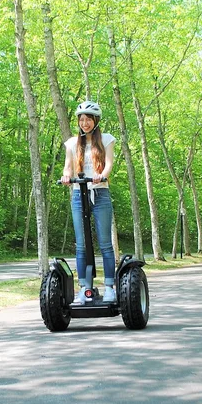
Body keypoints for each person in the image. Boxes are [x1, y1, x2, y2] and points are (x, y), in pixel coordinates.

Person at [61, 100, 117, 304]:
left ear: (96, 120)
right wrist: (66, 176)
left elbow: (109, 163)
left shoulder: (107, 139)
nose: (84, 123)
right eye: (81, 119)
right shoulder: (72, 143)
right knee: (81, 245)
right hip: (79, 195)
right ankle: (84, 288)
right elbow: (68, 166)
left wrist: (102, 175)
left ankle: (109, 287)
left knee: (105, 243)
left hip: (100, 193)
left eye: (88, 119)